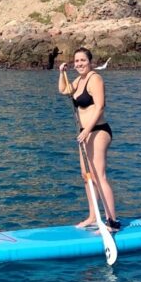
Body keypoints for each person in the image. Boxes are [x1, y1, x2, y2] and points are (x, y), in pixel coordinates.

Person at [58, 47, 120, 231]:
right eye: (76, 61)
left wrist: (88, 131)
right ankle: (93, 216)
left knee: (99, 176)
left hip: (98, 131)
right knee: (87, 177)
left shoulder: (95, 79)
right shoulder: (78, 80)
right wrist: (62, 73)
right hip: (84, 133)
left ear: (90, 61)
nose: (79, 64)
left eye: (82, 61)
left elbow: (100, 107)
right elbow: (64, 90)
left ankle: (112, 222)